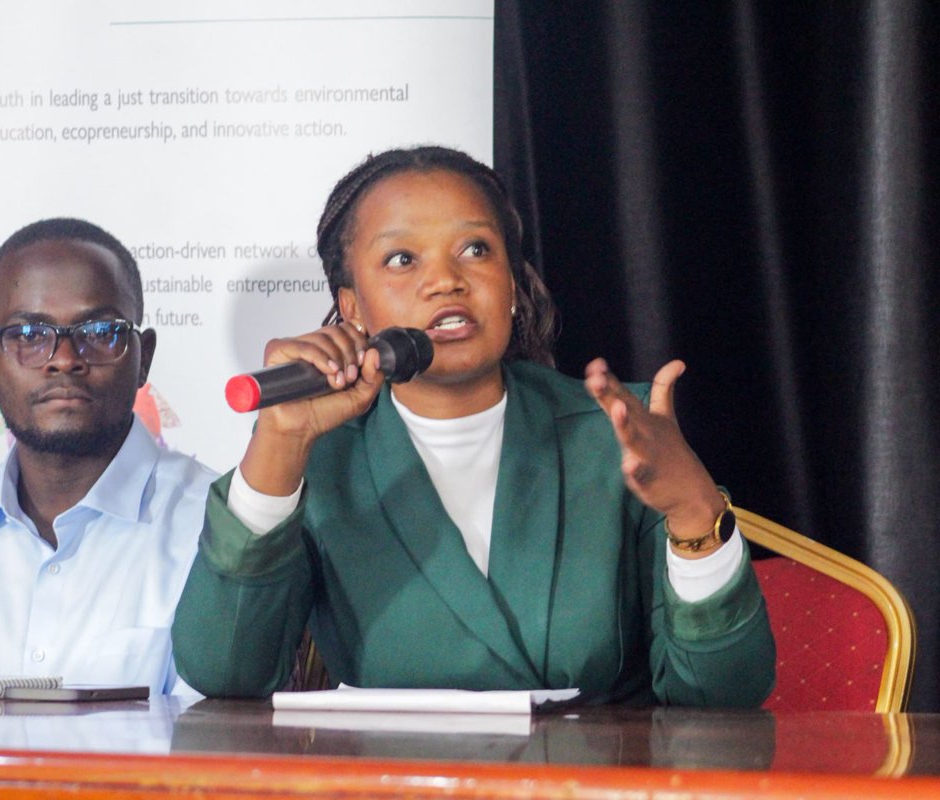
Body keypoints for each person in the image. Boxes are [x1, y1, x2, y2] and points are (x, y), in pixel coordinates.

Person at [172, 146, 775, 705]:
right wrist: (281, 441)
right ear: (352, 307)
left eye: (476, 250)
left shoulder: (620, 432)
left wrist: (695, 510)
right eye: (402, 259)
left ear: (512, 284)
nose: (445, 280)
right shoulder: (316, 458)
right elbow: (224, 671)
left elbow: (724, 694)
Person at [0, 218, 215, 694]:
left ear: (142, 355)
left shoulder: (214, 531)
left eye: (100, 331)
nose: (64, 358)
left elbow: (213, 752)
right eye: (28, 334)